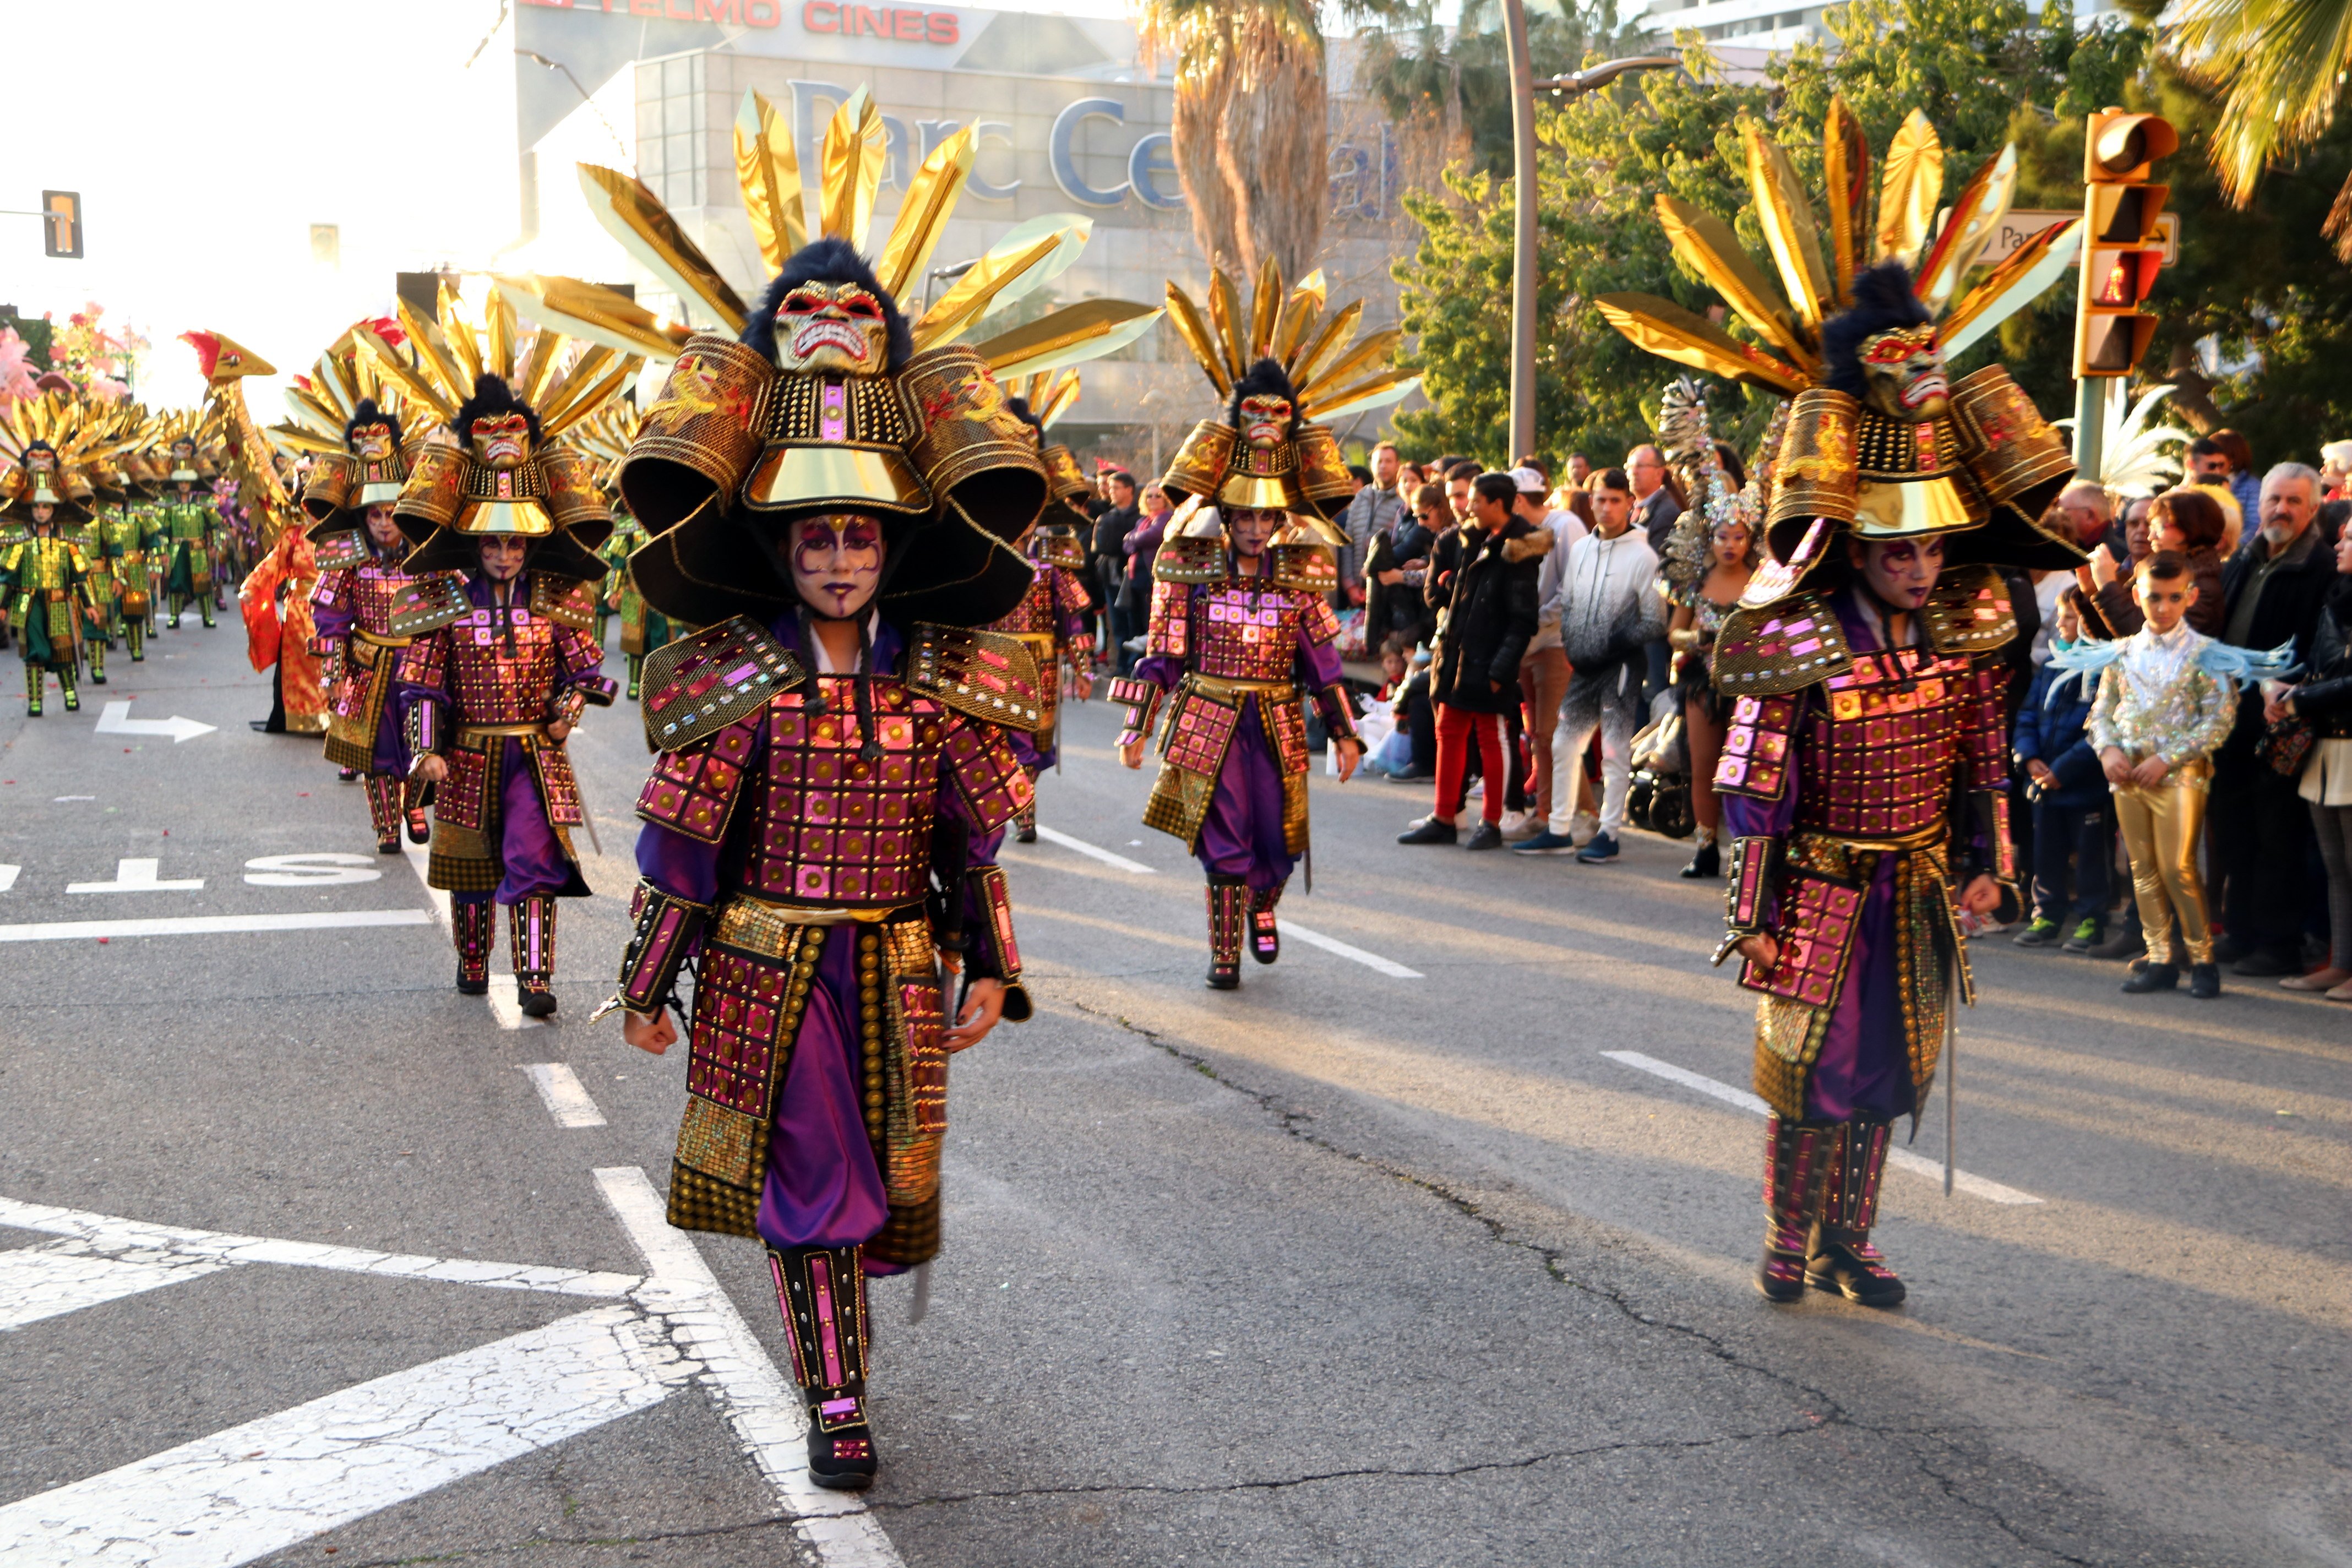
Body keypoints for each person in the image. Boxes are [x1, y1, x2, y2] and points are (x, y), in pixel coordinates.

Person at [1647, 248, 2083, 1308]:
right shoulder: (1798, 635)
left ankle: (1853, 1237)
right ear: (1855, 545)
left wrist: (1991, 872)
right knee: (1809, 1081)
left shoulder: (1961, 630)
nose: (1922, 567)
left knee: (1888, 1080)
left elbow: (1984, 763)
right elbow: (1753, 788)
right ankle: (1787, 1234)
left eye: (1933, 549)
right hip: (1823, 891)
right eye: (1900, 551)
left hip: (1917, 890)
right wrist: (1752, 912)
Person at [1114, 275, 1371, 988]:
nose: (1256, 527)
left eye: (1266, 518)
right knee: (1223, 845)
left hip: (1278, 719)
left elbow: (1321, 662)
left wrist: (1345, 733)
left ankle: (1267, 906)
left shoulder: (1300, 573)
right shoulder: (1188, 565)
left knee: (1280, 846)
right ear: (1226, 517)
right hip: (1208, 715)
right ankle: (1223, 957)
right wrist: (1137, 724)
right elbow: (1162, 655)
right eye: (1245, 517)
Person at [395, 373, 619, 1015]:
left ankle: (536, 978)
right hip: (465, 755)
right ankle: (472, 959)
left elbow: (585, 675)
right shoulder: (444, 601)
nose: (504, 553)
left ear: (532, 541)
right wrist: (425, 752)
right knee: (470, 871)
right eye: (492, 541)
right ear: (474, 542)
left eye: (515, 540)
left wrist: (566, 713)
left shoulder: (556, 599)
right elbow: (422, 683)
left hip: (533, 758)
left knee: (534, 863)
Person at [2054, 553, 2290, 998]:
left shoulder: (2204, 655)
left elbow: (2218, 719)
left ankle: (2201, 959)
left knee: (2178, 867)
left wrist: (2169, 758)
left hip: (2179, 775)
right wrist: (2106, 750)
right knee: (2143, 869)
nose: (2163, 607)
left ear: (2191, 597)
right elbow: (2103, 710)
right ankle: (2159, 956)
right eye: (2153, 597)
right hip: (2127, 775)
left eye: (2174, 597)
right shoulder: (2122, 652)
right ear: (2136, 596)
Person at [2210, 463, 2335, 976]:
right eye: (2274, 500)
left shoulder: (2322, 568)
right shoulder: (2243, 557)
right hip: (2229, 715)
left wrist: (2288, 691)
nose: (2281, 509)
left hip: (2282, 719)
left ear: (2312, 509)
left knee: (2277, 836)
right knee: (2233, 830)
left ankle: (2276, 943)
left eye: (2293, 502)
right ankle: (2239, 933)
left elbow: (2318, 646)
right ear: (2259, 505)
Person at [1513, 467, 1660, 862]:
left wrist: (1610, 643)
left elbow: (1654, 619)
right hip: (1583, 663)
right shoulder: (1580, 549)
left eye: (1616, 500)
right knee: (1562, 744)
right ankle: (1559, 829)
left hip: (1621, 666)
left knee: (1613, 750)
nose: (1608, 508)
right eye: (1601, 499)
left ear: (1630, 503)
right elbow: (1572, 602)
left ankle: (1609, 834)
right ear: (1590, 501)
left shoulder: (1644, 555)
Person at [307, 399, 432, 853]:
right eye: (375, 515)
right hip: (367, 667)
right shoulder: (348, 559)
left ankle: (415, 806)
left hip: (419, 667)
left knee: (425, 742)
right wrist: (334, 676)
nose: (384, 524)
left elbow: (449, 614)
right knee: (378, 755)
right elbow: (331, 620)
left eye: (391, 513)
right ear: (363, 517)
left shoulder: (426, 558)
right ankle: (386, 828)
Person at [1398, 471, 1547, 849]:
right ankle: (1444, 816)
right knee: (1447, 731)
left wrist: (1501, 670)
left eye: (1477, 501)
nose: (1469, 507)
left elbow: (1523, 620)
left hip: (1490, 662)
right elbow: (1452, 599)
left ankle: (1492, 823)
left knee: (1492, 739)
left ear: (1498, 504)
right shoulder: (1472, 539)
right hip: (1458, 656)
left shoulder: (1521, 547)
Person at [1653, 388, 1757, 879]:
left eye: (1740, 536)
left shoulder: (1765, 576)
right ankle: (1705, 844)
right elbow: (1674, 630)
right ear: (1711, 535)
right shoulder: (1694, 575)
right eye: (1723, 536)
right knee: (1705, 763)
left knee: (1748, 768)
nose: (1732, 544)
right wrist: (1701, 642)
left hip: (1754, 682)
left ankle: (1748, 850)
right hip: (1701, 680)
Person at [984, 395, 1096, 842]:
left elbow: (1072, 622)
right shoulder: (984, 555)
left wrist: (1084, 670)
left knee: (1035, 742)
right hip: (993, 657)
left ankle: (1025, 804)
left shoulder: (1053, 560)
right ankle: (1015, 807)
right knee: (997, 738)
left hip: (1042, 660)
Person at [2273, 519, 2352, 997]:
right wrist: (2280, 687)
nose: (2338, 543)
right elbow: (2321, 663)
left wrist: (2302, 700)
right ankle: (2341, 964)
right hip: (2326, 745)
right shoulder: (2338, 594)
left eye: (2349, 537)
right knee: (2335, 864)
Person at [2012, 594, 2111, 951]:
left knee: (2089, 857)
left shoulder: (2104, 668)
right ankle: (2048, 915)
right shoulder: (2053, 664)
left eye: (2070, 617)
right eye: (2062, 617)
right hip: (2043, 783)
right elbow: (2027, 714)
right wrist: (2028, 757)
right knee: (2046, 853)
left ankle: (2091, 920)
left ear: (2088, 621)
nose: (2062, 624)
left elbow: (2100, 730)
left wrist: (2064, 768)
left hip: (2084, 784)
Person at [1513, 464, 1586, 839]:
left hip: (1558, 642)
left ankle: (1580, 814)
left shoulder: (1565, 525)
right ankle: (1548, 812)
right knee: (1542, 734)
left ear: (1519, 500)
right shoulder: (1528, 532)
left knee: (1556, 733)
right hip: (1533, 641)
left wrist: (1536, 620)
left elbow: (1574, 586)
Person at [0, 468, 95, 716]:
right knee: (35, 651)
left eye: (46, 507)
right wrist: (1, 606)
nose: (41, 511)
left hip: (60, 601)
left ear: (54, 509)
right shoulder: (19, 539)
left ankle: (70, 694)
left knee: (63, 649)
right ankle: (35, 701)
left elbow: (80, 576)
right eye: (36, 507)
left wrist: (90, 605)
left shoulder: (67, 539)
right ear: (30, 509)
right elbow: (8, 577)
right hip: (29, 602)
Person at [160, 439, 220, 629]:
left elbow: (217, 524)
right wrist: (162, 552)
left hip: (198, 548)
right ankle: (174, 616)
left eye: (187, 481)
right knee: (176, 584)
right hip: (177, 548)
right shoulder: (169, 501)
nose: (184, 485)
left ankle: (207, 616)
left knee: (203, 583)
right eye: (180, 481)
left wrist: (215, 545)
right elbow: (163, 528)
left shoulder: (202, 500)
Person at [1340, 442, 1403, 606]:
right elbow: (1347, 542)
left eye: (1388, 461)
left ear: (1398, 465)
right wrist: (1350, 586)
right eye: (1379, 462)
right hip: (1354, 592)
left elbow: (1400, 548)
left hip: (1386, 593)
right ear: (1372, 466)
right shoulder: (1361, 497)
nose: (1383, 466)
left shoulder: (1402, 502)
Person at [1092, 469, 1139, 660]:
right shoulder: (1108, 516)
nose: (1111, 491)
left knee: (1133, 624)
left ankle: (1132, 665)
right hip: (1110, 579)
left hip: (1130, 578)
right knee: (1118, 625)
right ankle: (1121, 664)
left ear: (1129, 490)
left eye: (1116, 488)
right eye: (1110, 488)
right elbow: (1099, 548)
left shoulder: (1139, 517)